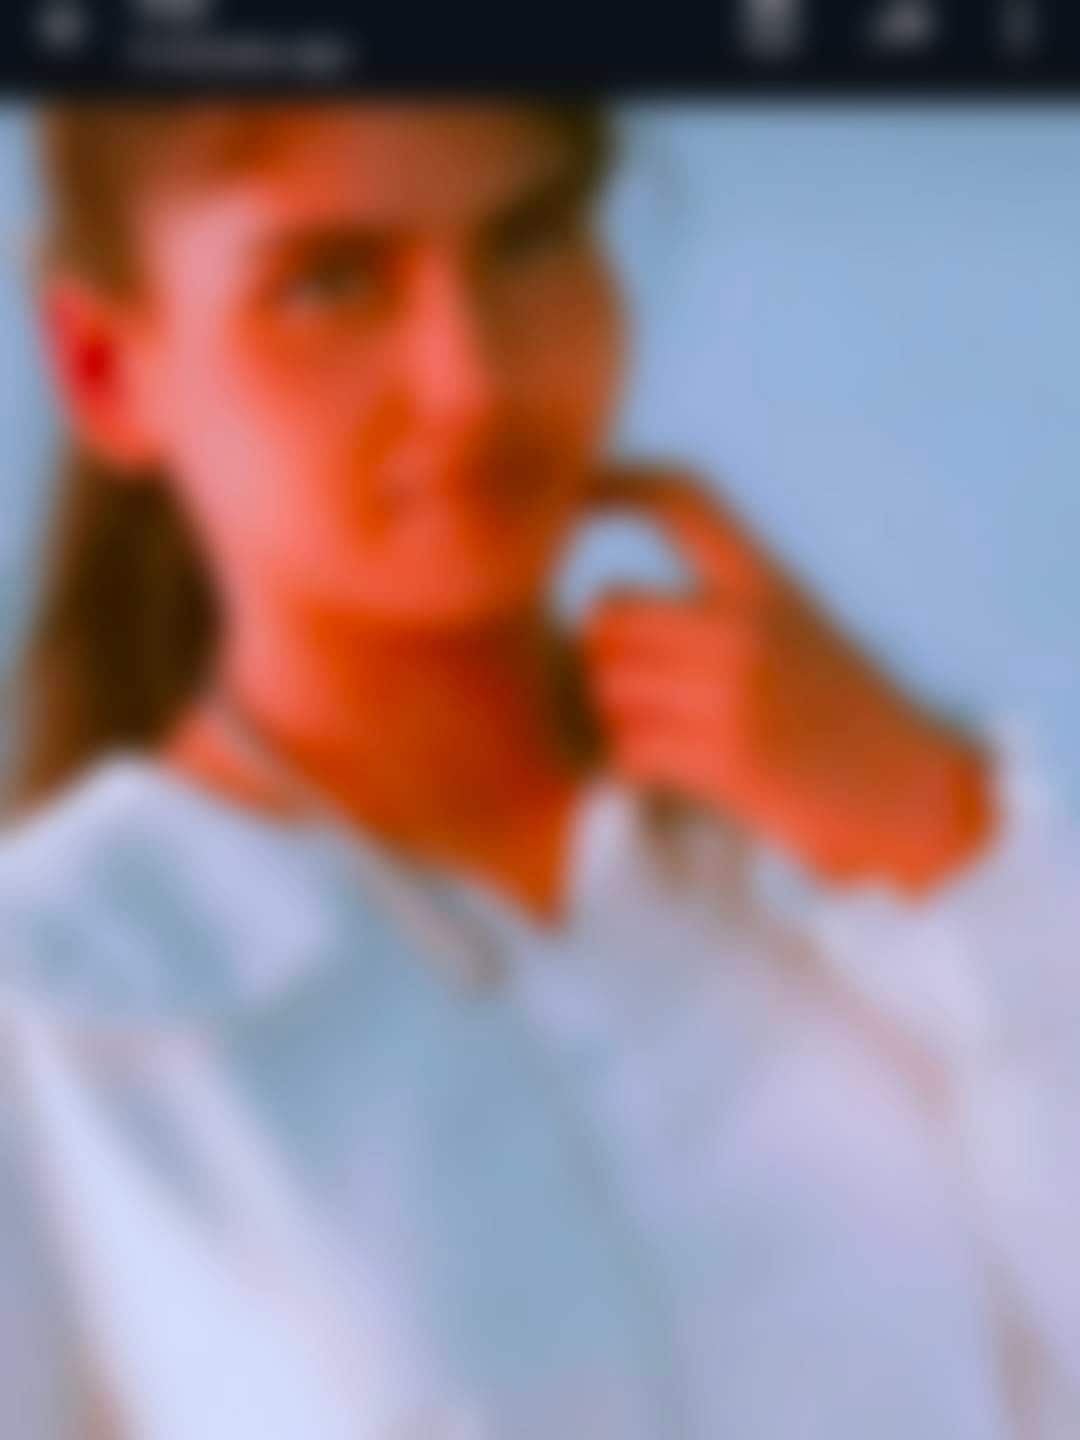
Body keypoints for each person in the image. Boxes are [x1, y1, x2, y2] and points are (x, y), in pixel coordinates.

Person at [0, 98, 1078, 1440]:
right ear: (106, 366)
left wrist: (947, 846)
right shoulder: (50, 1010)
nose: (471, 378)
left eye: (528, 237)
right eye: (329, 282)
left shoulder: (881, 871)